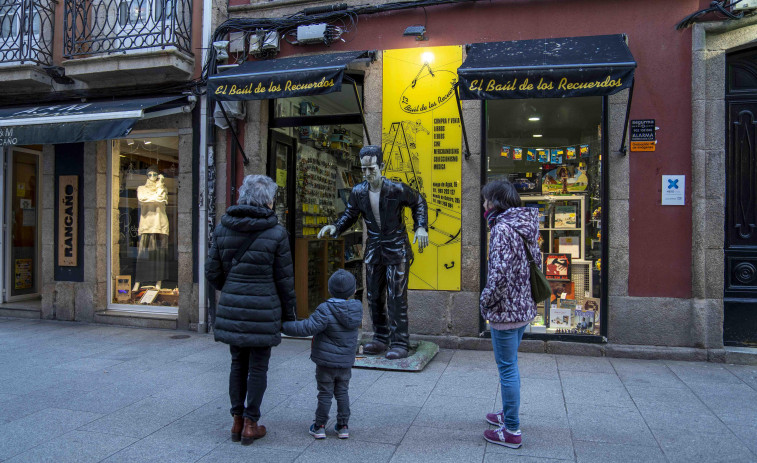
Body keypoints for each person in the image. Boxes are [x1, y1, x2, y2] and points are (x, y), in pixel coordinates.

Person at [205, 174, 296, 446]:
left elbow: (212, 272)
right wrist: (289, 314)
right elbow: (284, 279)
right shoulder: (277, 232)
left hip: (233, 305)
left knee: (237, 363)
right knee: (258, 366)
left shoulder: (223, 228)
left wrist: (231, 286)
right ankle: (250, 423)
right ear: (267, 200)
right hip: (264, 307)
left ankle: (236, 420)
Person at [317, 145, 429, 360]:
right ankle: (380, 337)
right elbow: (350, 214)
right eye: (364, 169)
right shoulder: (359, 192)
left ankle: (399, 342)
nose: (367, 173)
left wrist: (421, 227)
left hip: (397, 248)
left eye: (372, 169)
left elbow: (419, 202)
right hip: (374, 248)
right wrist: (336, 227)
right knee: (373, 295)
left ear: (382, 167)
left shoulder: (396, 189)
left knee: (396, 296)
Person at [480, 179, 540, 449]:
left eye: (486, 200)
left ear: (496, 202)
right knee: (510, 364)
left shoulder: (502, 229)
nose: (483, 205)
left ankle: (511, 429)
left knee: (507, 369)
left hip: (506, 311)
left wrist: (485, 302)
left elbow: (499, 275)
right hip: (522, 306)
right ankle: (508, 412)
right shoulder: (523, 225)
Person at [282, 269, 363, 439]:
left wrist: (284, 326)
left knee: (325, 393)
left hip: (326, 362)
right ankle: (343, 426)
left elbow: (306, 328)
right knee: (342, 392)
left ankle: (319, 426)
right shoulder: (356, 309)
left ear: (329, 289)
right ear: (354, 291)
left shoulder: (325, 309)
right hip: (345, 362)